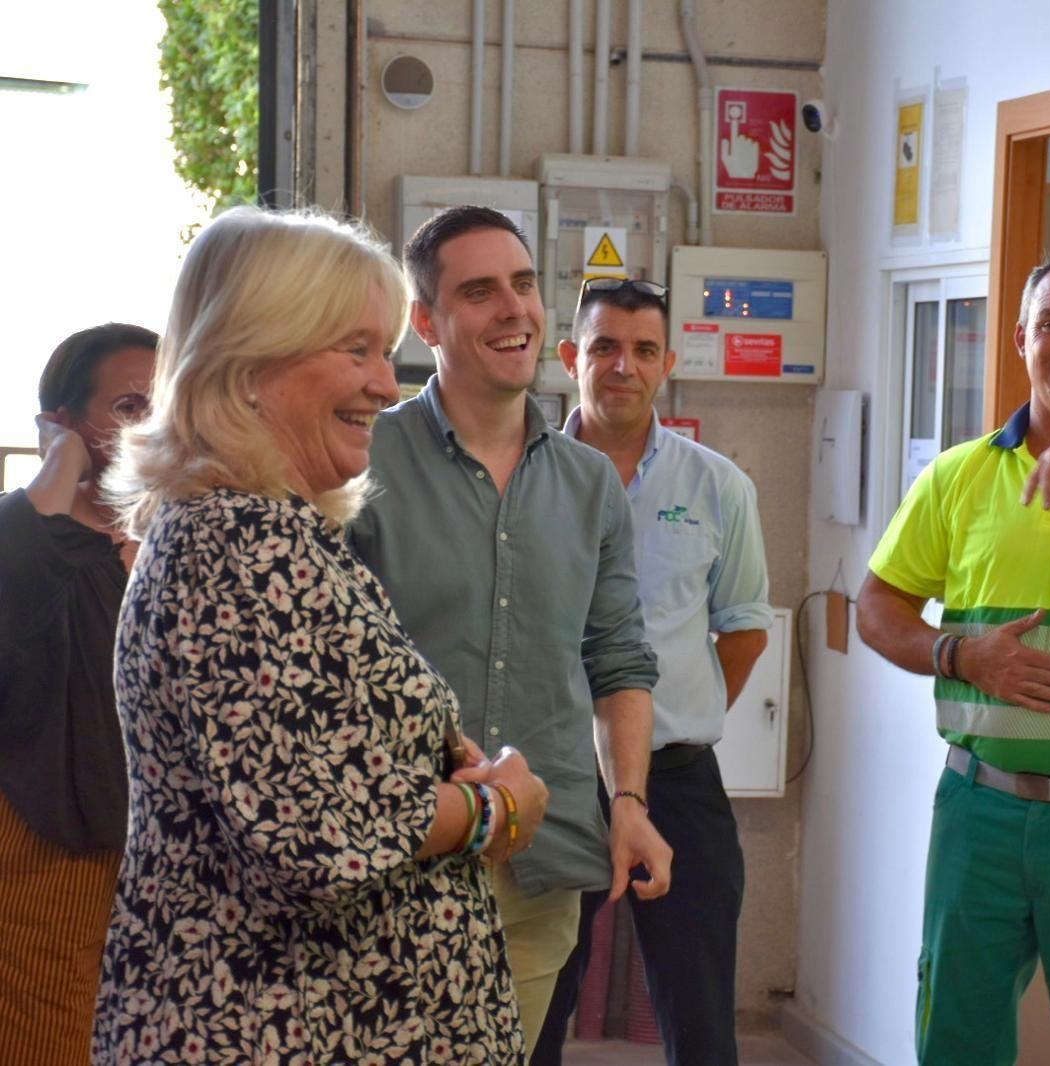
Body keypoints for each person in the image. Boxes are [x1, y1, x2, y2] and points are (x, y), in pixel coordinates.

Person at [92, 207, 546, 1063]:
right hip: (289, 1025)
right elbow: (317, 838)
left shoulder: (259, 533)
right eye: (356, 351)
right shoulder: (243, 544)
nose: (386, 382)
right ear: (251, 366)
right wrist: (495, 807)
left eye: (384, 350)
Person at [350, 206, 672, 1047]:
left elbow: (618, 659)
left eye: (524, 285)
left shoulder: (590, 483)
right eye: (480, 290)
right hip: (400, 854)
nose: (514, 309)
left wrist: (629, 801)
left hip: (539, 856)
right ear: (427, 321)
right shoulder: (361, 464)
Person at [857, 249, 1050, 1064]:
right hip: (976, 809)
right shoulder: (958, 476)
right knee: (954, 1030)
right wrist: (959, 655)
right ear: (1019, 336)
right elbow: (877, 610)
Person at [531, 277, 773, 1065]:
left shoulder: (716, 487)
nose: (622, 367)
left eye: (641, 350)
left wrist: (674, 719)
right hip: (549, 778)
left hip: (677, 780)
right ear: (570, 357)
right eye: (603, 347)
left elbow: (741, 631)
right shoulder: (523, 479)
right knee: (531, 1006)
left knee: (701, 1017)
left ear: (668, 361)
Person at [0, 323, 155, 1066]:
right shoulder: (34, 536)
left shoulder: (177, 543)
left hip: (157, 878)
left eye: (165, 405)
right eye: (128, 405)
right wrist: (59, 459)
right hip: (45, 866)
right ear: (62, 419)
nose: (149, 426)